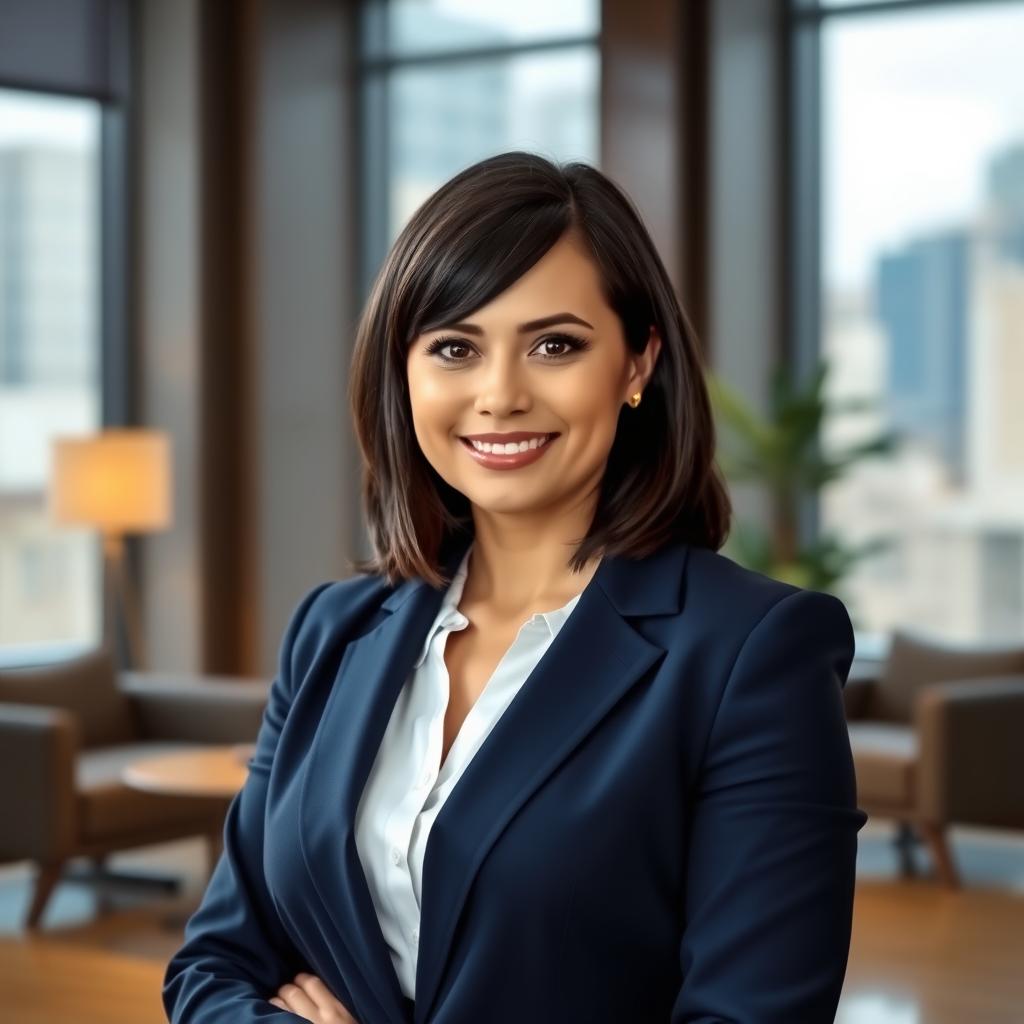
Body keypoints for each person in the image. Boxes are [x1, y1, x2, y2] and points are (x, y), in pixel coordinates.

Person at [162, 150, 867, 1024]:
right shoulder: (333, 631)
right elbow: (213, 966)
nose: (499, 394)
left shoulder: (750, 655)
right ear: (405, 372)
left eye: (554, 345)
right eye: (455, 347)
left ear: (638, 363)